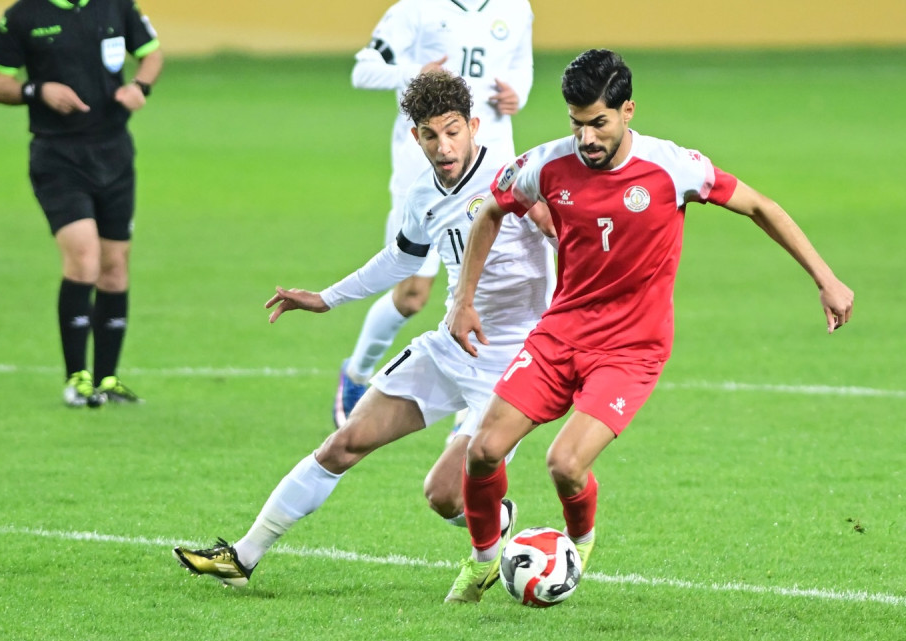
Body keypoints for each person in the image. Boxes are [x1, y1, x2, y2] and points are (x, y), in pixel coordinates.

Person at [443, 49, 855, 604]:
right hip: (561, 334)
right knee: (483, 450)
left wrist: (825, 278)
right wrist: (462, 301)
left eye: (598, 123)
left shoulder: (673, 166)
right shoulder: (545, 166)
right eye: (576, 122)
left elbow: (759, 205)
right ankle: (482, 562)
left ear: (628, 110)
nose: (586, 138)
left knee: (564, 464)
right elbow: (490, 210)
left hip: (631, 349)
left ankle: (579, 542)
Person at [172, 71, 554, 589]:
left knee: (443, 493)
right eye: (429, 134)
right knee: (344, 443)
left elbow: (567, 241)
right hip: (449, 347)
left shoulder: (514, 178)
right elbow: (401, 258)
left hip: (514, 362)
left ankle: (491, 536)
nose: (443, 146)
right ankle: (241, 558)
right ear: (413, 137)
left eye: (453, 131)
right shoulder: (423, 194)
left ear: (474, 126)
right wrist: (326, 298)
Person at [334, 0, 539, 428]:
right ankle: (356, 373)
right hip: (427, 177)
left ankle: (476, 390)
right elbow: (363, 69)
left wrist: (517, 91)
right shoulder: (415, 9)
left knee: (494, 289)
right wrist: (415, 74)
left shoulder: (515, 8)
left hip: (495, 170)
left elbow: (521, 66)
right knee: (411, 295)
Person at [0, 0, 163, 407]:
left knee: (115, 267)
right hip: (57, 157)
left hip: (115, 154)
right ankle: (76, 378)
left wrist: (140, 87)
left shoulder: (116, 6)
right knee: (85, 259)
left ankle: (107, 379)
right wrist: (36, 90)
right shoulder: (24, 15)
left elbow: (152, 55)